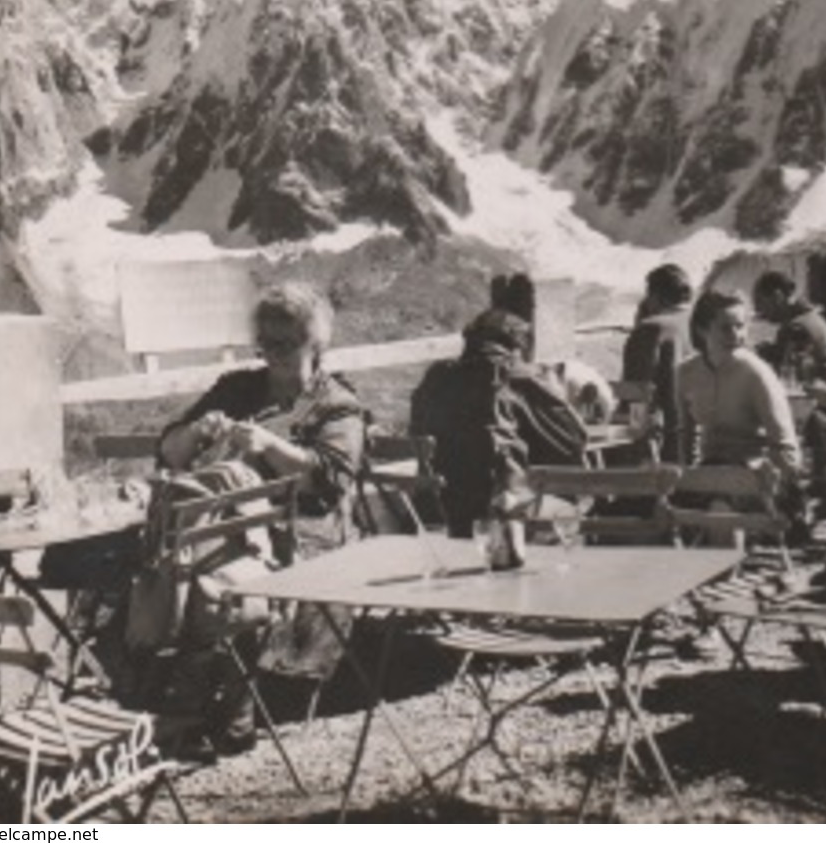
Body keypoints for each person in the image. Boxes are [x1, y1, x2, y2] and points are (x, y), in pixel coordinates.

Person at [154, 282, 367, 760]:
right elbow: (168, 449)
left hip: (303, 532)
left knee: (209, 571)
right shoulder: (236, 389)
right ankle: (181, 701)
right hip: (223, 528)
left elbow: (331, 480)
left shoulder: (337, 404)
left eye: (284, 344)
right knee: (172, 560)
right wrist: (195, 433)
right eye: (265, 344)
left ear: (317, 345)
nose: (272, 355)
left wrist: (272, 447)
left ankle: (218, 709)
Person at [410, 308, 588, 540]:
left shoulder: (436, 377)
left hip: (444, 511)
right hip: (508, 511)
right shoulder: (523, 378)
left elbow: (417, 431)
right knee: (575, 506)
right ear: (518, 345)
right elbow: (573, 442)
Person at [676, 290, 802, 491]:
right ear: (702, 330)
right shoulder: (686, 373)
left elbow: (787, 449)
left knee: (720, 507)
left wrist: (770, 480)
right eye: (725, 328)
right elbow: (685, 437)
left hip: (756, 479)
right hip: (709, 476)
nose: (736, 336)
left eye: (740, 327)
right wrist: (689, 481)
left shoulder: (756, 374)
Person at [621, 263, 694, 463]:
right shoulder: (704, 322)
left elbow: (637, 396)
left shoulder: (652, 329)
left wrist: (636, 449)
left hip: (669, 451)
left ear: (653, 296)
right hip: (705, 445)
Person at [751, 270, 826, 388]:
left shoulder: (797, 327)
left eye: (760, 303)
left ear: (778, 297)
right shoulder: (810, 317)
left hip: (824, 400)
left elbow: (789, 375)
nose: (758, 311)